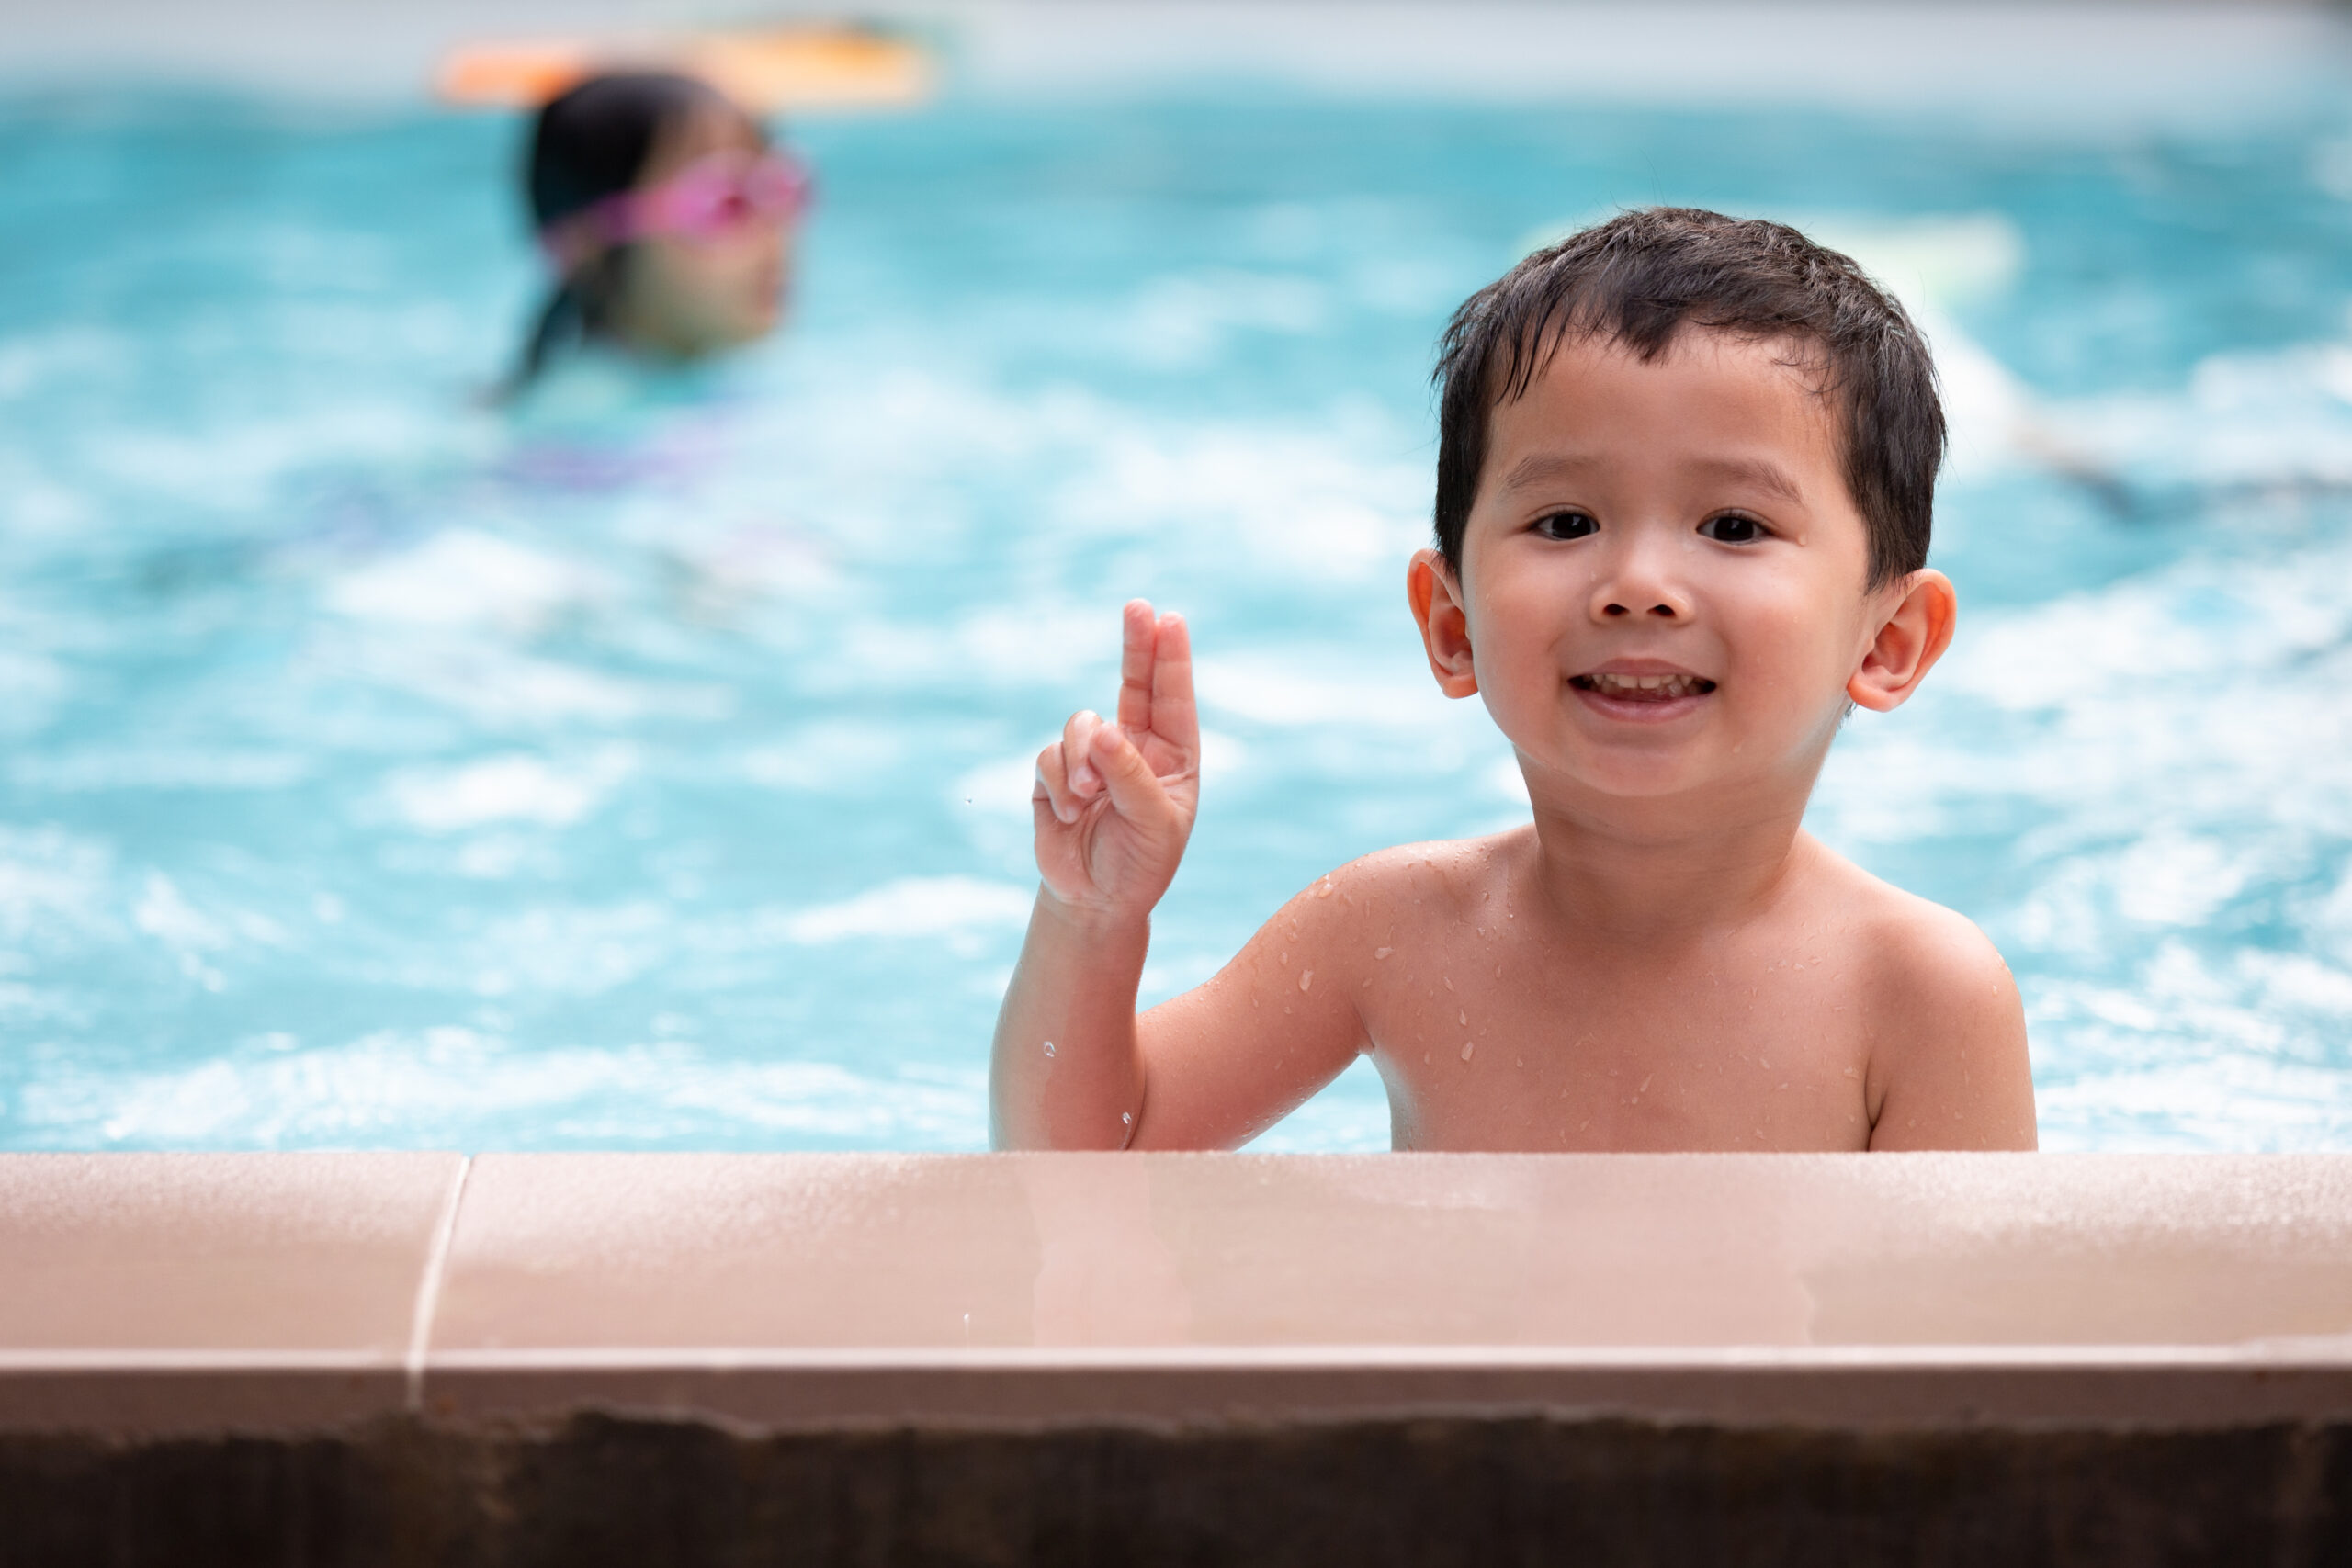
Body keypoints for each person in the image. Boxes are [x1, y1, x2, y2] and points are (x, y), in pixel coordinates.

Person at [990, 207, 2039, 1155]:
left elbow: (1972, 1346)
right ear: (1452, 624)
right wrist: (1092, 918)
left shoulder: (1917, 998)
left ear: (1887, 642)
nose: (1637, 585)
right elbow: (1085, 1168)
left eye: (1733, 526)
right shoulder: (1390, 933)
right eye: (1565, 523)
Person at [504, 71, 809, 394]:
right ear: (590, 244)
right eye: (726, 203)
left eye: (777, 190)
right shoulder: (586, 422)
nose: (773, 232)